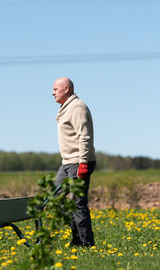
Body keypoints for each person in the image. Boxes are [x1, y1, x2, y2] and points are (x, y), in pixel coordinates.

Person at [52, 77, 96, 247]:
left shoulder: (77, 108)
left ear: (67, 89)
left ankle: (86, 243)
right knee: (54, 198)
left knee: (78, 203)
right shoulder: (66, 108)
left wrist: (84, 163)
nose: (52, 92)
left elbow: (84, 136)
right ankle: (78, 238)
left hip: (79, 162)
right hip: (67, 163)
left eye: (56, 89)